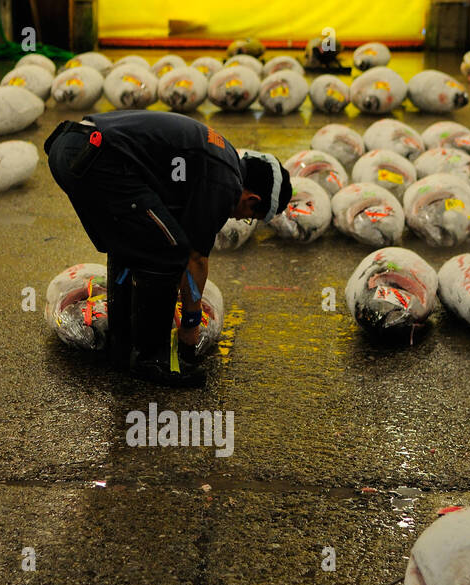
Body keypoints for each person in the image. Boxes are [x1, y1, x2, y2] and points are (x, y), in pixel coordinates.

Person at [45, 111, 290, 385]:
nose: (236, 218)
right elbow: (195, 259)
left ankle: (121, 344)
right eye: (248, 215)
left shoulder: (223, 158)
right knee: (170, 252)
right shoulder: (225, 183)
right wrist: (190, 326)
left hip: (71, 148)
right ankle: (152, 361)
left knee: (135, 243)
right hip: (95, 158)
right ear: (252, 198)